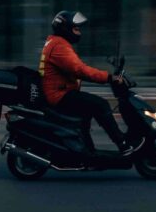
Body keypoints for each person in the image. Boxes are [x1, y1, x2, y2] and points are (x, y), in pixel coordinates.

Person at [39, 10, 143, 155]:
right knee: (100, 104)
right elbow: (79, 70)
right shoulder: (59, 46)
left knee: (87, 111)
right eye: (75, 29)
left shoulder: (57, 42)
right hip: (59, 95)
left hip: (59, 91)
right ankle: (123, 144)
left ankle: (86, 149)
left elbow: (75, 67)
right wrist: (108, 77)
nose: (79, 33)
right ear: (65, 29)